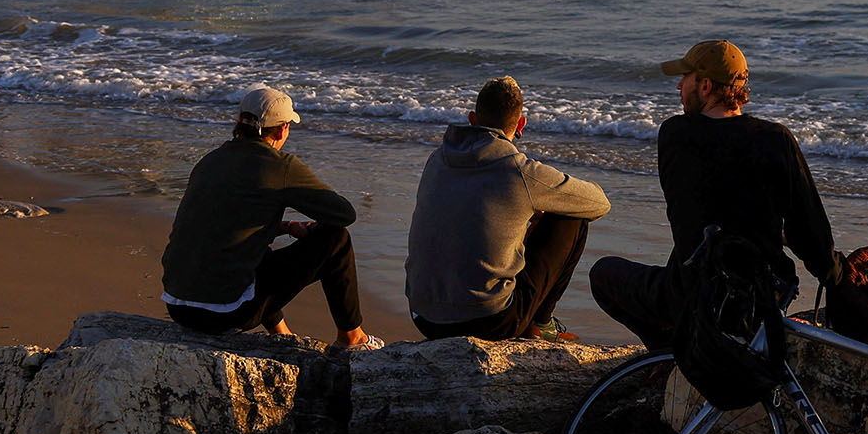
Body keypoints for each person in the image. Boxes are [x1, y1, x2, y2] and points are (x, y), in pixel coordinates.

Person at [589, 40, 844, 349]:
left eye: (686, 79)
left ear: (706, 85)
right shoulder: (776, 140)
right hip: (762, 299)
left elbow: (702, 209)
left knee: (602, 274)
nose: (679, 86)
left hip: (692, 295)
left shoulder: (674, 134)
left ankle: (669, 353)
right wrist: (835, 274)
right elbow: (811, 233)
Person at [160, 88, 381, 349]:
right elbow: (343, 214)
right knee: (337, 240)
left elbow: (223, 224)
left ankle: (281, 331)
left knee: (247, 249)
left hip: (177, 304)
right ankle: (352, 337)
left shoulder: (210, 161)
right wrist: (309, 226)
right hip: (223, 314)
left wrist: (284, 227)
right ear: (281, 130)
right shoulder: (280, 165)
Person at [406, 75, 610, 341]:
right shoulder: (518, 170)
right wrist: (539, 206)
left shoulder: (437, 159)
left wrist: (519, 212)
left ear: (472, 119)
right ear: (521, 125)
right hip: (489, 322)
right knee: (572, 216)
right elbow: (598, 203)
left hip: (423, 316)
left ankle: (534, 321)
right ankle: (542, 323)